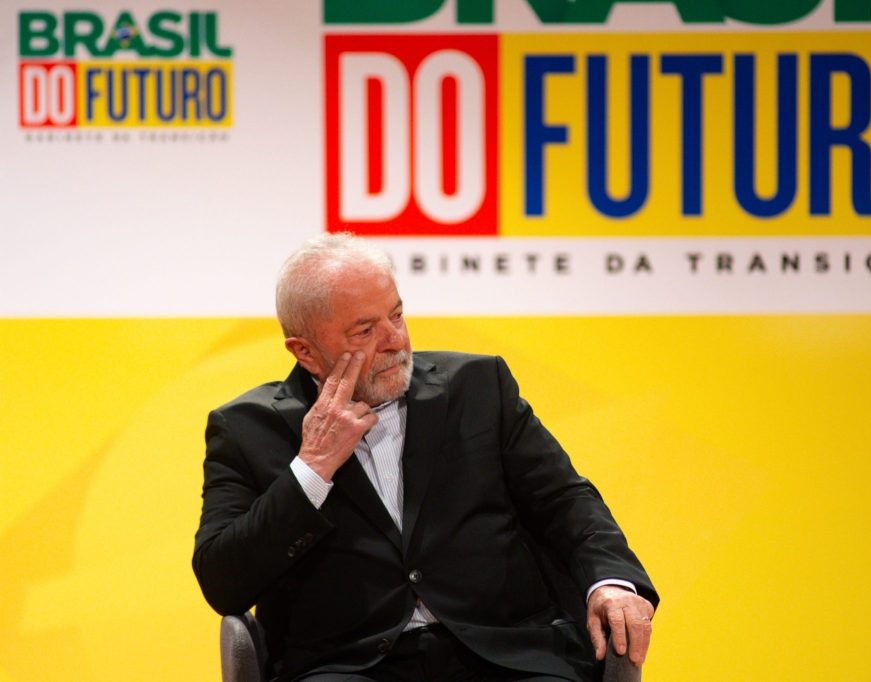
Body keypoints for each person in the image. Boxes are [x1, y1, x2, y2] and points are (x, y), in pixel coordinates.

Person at [193, 233, 658, 681]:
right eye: (365, 330)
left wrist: (611, 581)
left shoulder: (478, 386)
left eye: (396, 315)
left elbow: (564, 499)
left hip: (504, 654)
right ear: (305, 352)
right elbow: (223, 582)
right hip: (350, 666)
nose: (395, 340)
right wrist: (311, 469)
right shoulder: (247, 429)